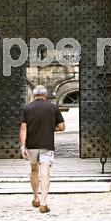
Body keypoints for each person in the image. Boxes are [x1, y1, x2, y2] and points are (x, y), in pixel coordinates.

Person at [19, 85, 65, 213]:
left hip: (31, 145)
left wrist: (23, 146)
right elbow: (61, 127)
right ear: (45, 95)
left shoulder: (27, 108)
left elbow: (23, 128)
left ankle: (36, 198)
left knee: (34, 171)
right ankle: (44, 204)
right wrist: (51, 127)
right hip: (47, 145)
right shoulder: (53, 107)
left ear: (34, 95)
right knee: (45, 174)